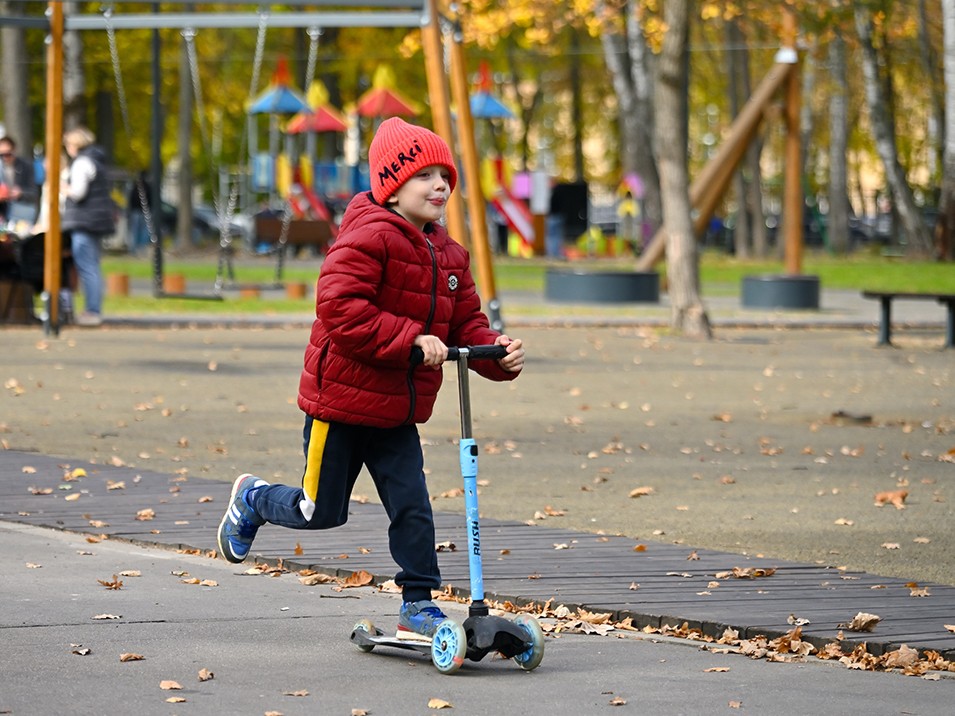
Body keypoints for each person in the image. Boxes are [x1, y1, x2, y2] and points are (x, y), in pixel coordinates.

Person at [217, 117, 525, 640]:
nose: (439, 186)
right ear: (391, 185)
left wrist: (496, 352)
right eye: (424, 175)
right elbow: (340, 307)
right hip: (339, 404)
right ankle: (252, 497)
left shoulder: (449, 254)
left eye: (444, 175)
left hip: (397, 411)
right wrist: (409, 339)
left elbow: (465, 319)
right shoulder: (368, 236)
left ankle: (418, 605)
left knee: (413, 507)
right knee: (318, 512)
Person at [61, 127, 115, 327]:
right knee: (92, 264)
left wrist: (63, 188)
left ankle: (92, 311)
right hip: (95, 220)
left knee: (87, 266)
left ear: (74, 145)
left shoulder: (82, 163)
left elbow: (78, 192)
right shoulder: (96, 161)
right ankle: (93, 308)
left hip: (84, 220)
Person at [0, 135, 38, 222]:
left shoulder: (26, 166)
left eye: (8, 154)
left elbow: (34, 193)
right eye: (1, 155)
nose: (5, 158)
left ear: (14, 151)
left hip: (21, 215)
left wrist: (20, 193)